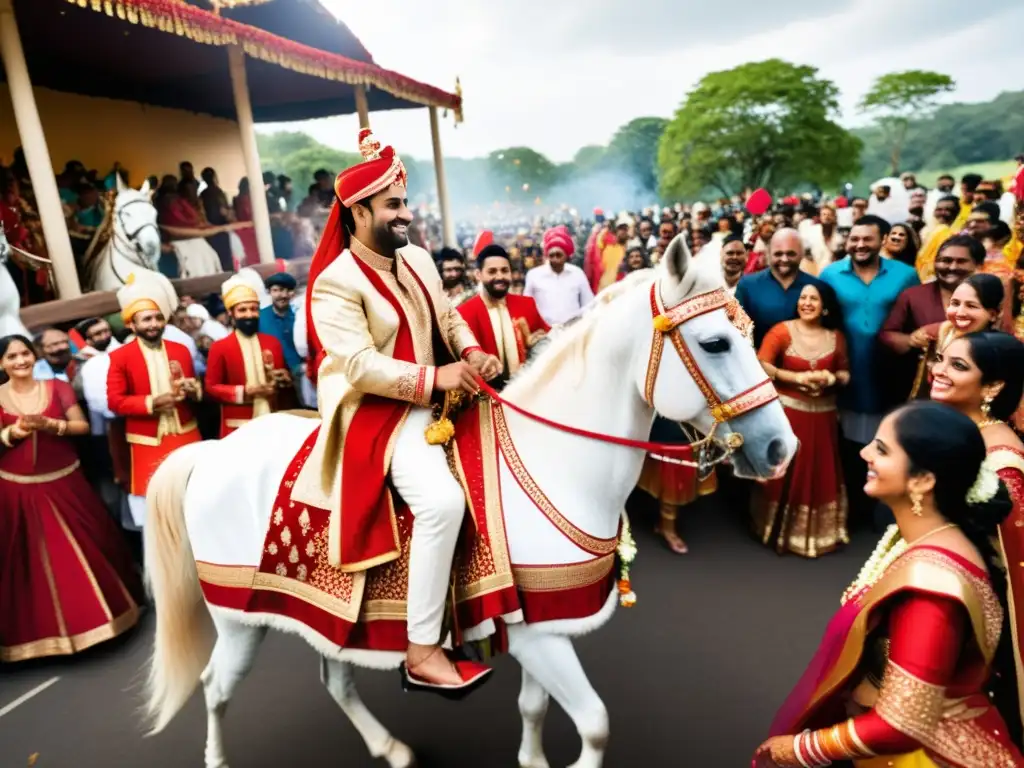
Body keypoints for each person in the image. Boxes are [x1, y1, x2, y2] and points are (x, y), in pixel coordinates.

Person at [301, 129, 501, 696]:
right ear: (358, 210)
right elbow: (360, 366)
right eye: (393, 205)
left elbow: (448, 318)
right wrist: (435, 377)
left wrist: (472, 352)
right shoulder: (334, 282)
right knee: (442, 502)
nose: (406, 215)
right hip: (381, 412)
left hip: (442, 391)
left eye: (405, 203)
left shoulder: (414, 256)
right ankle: (421, 650)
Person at [755, 401, 1024, 768]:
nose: (864, 452)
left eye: (881, 449)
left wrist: (799, 750)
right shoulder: (926, 536)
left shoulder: (932, 587)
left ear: (923, 480)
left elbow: (903, 724)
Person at [0, 334, 143, 661]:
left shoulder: (57, 388)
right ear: (1, 363)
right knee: (25, 564)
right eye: (12, 357)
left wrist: (52, 425)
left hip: (65, 483)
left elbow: (81, 426)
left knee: (89, 549)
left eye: (25, 354)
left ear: (34, 356)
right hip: (16, 490)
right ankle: (35, 640)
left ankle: (102, 622)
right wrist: (13, 433)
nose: (20, 361)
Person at [930, 331, 1024, 744]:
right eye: (940, 359)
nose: (939, 371)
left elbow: (1013, 570)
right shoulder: (961, 432)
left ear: (994, 387)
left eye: (957, 366)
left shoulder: (1002, 465)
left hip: (972, 630)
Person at [819, 215, 919, 527]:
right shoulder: (830, 274)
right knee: (848, 444)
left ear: (883, 239)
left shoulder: (905, 275)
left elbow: (913, 319)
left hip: (888, 372)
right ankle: (854, 509)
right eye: (855, 239)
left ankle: (887, 509)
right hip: (847, 371)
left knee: (887, 440)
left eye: (868, 239)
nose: (860, 245)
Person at [753, 283, 850, 557]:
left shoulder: (836, 337)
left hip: (824, 420)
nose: (807, 303)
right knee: (783, 472)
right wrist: (795, 378)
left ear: (825, 306)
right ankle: (775, 530)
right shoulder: (782, 331)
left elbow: (845, 373)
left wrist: (832, 378)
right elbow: (761, 364)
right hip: (788, 416)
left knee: (819, 473)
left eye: (814, 299)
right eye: (803, 298)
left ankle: (816, 536)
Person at [106, 272, 203, 530]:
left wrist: (194, 390)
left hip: (186, 432)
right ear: (132, 325)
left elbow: (193, 387)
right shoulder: (120, 357)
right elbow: (115, 402)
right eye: (146, 319)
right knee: (158, 508)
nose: (154, 324)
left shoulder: (181, 349)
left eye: (158, 317)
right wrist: (152, 403)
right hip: (148, 440)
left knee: (196, 496)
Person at [880, 235, 984, 402]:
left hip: (973, 390)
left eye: (961, 261)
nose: (951, 267)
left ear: (978, 265)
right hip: (923, 389)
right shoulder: (913, 295)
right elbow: (887, 335)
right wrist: (911, 340)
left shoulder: (989, 298)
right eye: (945, 260)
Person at [204, 276, 289, 438]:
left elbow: (282, 381)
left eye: (253, 309)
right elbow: (211, 387)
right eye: (242, 310)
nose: (249, 314)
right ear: (231, 313)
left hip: (273, 420)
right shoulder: (220, 347)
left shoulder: (272, 343)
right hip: (238, 426)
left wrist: (284, 379)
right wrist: (244, 392)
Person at [457, 243, 548, 388]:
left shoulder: (527, 304)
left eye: (504, 270)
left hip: (528, 393)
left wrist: (537, 343)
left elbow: (549, 340)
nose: (500, 276)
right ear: (478, 275)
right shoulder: (464, 313)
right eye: (492, 271)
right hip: (486, 398)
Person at [736, 228, 824, 350]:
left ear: (801, 254)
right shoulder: (747, 285)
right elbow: (736, 332)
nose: (784, 259)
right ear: (768, 253)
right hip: (759, 364)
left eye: (790, 253)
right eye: (778, 254)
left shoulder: (818, 287)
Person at [524, 225, 594, 326]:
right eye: (552, 255)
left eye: (559, 255)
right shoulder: (534, 275)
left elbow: (589, 304)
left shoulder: (577, 273)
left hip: (573, 330)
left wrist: (578, 321)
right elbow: (527, 306)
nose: (555, 259)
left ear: (566, 255)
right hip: (544, 331)